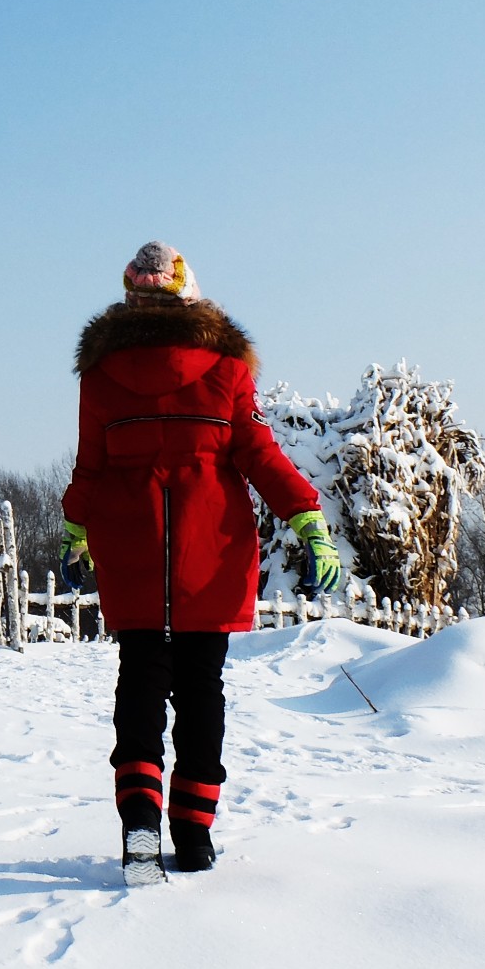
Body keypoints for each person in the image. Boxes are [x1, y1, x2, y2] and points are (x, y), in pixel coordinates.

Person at [59, 242, 344, 885]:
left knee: (139, 686)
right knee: (200, 693)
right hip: (209, 557)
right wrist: (307, 518)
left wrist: (75, 530)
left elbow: (91, 466)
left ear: (131, 299)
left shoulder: (102, 376)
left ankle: (139, 820)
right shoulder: (226, 370)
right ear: (189, 298)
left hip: (131, 554)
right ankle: (192, 833)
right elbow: (259, 453)